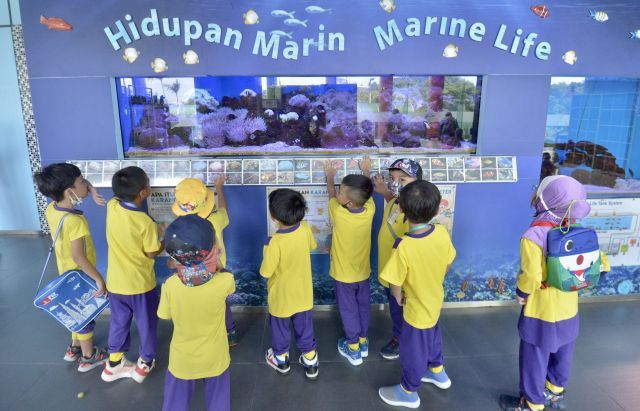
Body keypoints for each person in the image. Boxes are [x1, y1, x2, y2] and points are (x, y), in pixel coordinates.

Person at [500, 175, 610, 411]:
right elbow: (601, 265)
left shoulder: (534, 235)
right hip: (569, 308)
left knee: (534, 355)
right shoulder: (578, 229)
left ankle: (532, 402)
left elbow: (531, 276)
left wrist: (521, 293)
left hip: (541, 310)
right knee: (563, 351)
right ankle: (555, 390)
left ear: (545, 200)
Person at [378, 180, 455, 409]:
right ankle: (437, 370)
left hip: (415, 309)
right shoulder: (441, 233)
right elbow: (448, 262)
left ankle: (408, 391)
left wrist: (397, 296)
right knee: (433, 335)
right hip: (434, 300)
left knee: (413, 349)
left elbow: (394, 281)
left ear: (401, 209)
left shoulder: (404, 245)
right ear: (437, 209)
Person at [34, 163, 108, 372]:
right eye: (82, 182)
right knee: (84, 314)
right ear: (69, 191)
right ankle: (88, 356)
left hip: (65, 273)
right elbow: (79, 256)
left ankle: (74, 347)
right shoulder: (75, 222)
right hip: (81, 274)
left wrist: (91, 190)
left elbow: (79, 187)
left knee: (74, 310)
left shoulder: (51, 209)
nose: (86, 184)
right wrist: (98, 279)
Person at [159, 214, 235, 411]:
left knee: (174, 404)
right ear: (213, 250)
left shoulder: (170, 286)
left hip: (182, 360)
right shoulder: (225, 281)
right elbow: (222, 278)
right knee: (219, 402)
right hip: (215, 357)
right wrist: (217, 262)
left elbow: (164, 315)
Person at [101, 166, 165, 383]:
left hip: (115, 283)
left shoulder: (112, 206)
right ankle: (145, 362)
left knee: (119, 322)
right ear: (144, 192)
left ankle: (114, 363)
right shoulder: (145, 222)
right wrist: (163, 239)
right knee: (147, 324)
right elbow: (151, 252)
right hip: (140, 285)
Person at [172, 176, 238, 347]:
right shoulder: (215, 220)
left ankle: (203, 335)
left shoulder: (179, 227)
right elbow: (223, 209)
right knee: (221, 302)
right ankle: (229, 334)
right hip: (216, 270)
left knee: (197, 304)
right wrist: (219, 188)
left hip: (189, 273)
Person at [260, 189, 319, 380]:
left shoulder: (274, 242)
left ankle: (281, 361)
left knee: (280, 329)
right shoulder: (305, 228)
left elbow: (265, 272)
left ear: (273, 216)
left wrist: (266, 248)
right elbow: (312, 246)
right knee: (305, 329)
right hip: (303, 295)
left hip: (281, 298)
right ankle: (310, 362)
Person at [324, 158, 375, 367]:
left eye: (342, 191)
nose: (338, 191)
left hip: (343, 275)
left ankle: (352, 347)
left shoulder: (337, 212)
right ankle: (363, 341)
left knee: (348, 310)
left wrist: (329, 176)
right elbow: (366, 192)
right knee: (363, 307)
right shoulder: (370, 209)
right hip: (363, 273)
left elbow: (330, 195)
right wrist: (366, 170)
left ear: (349, 203)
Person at [372, 159, 422, 360]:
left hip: (400, 279)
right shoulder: (396, 202)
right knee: (395, 308)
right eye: (392, 178)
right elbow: (394, 199)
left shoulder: (414, 212)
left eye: (402, 179)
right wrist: (384, 192)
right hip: (389, 271)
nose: (395, 183)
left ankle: (401, 340)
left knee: (399, 310)